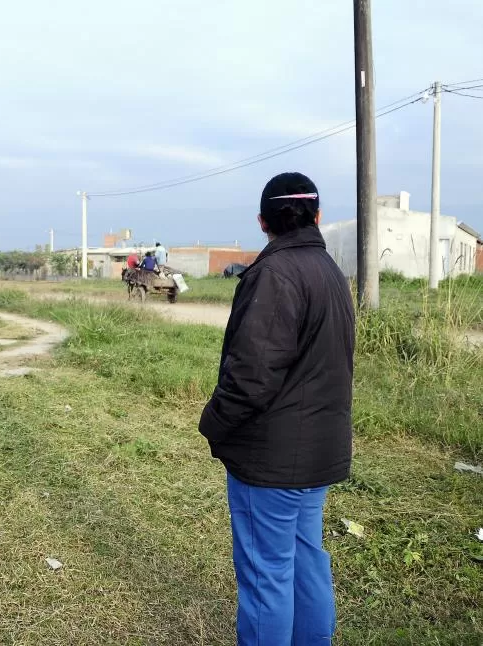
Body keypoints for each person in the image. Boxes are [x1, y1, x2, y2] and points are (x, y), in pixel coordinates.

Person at [198, 172, 354, 646]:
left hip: (272, 461)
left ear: (263, 222)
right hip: (317, 453)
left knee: (267, 573)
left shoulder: (274, 274)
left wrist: (213, 424)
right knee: (306, 561)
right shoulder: (330, 272)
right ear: (317, 217)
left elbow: (250, 377)